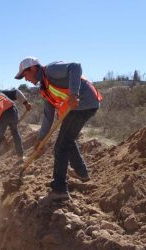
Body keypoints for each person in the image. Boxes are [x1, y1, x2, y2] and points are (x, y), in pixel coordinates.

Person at [15, 56, 102, 202]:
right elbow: (48, 117)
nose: (25, 79)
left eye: (25, 75)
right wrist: (40, 139)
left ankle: (59, 190)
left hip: (84, 103)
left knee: (61, 146)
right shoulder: (45, 88)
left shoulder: (50, 70)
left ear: (33, 68)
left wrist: (74, 94)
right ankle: (82, 173)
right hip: (76, 108)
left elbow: (75, 66)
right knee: (67, 140)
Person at [0, 89, 32, 180]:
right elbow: (17, 92)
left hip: (2, 117)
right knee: (15, 132)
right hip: (13, 112)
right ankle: (21, 157)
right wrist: (26, 103)